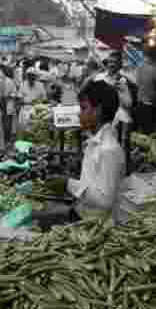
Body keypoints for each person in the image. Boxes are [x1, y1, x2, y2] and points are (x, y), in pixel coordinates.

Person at [31, 80, 125, 229]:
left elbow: (105, 201)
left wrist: (67, 184)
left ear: (98, 110)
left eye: (83, 108)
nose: (79, 113)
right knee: (35, 217)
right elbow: (91, 184)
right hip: (82, 213)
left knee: (37, 221)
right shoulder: (96, 143)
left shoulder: (109, 149)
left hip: (96, 226)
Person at [94, 51, 134, 130]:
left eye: (115, 62)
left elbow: (129, 103)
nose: (111, 64)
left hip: (116, 120)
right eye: (110, 62)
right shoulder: (99, 77)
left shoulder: (124, 81)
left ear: (120, 65)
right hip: (101, 118)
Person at [135, 51, 156, 134]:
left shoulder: (140, 68)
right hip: (150, 105)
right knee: (149, 131)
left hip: (140, 103)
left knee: (140, 130)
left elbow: (137, 83)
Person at [17, 68, 46, 133]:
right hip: (24, 109)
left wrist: (38, 101)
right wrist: (25, 102)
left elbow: (44, 98)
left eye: (33, 76)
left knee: (35, 130)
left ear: (35, 77)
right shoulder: (22, 85)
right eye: (29, 75)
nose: (31, 77)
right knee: (24, 130)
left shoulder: (40, 85)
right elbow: (19, 99)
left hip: (37, 110)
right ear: (27, 76)